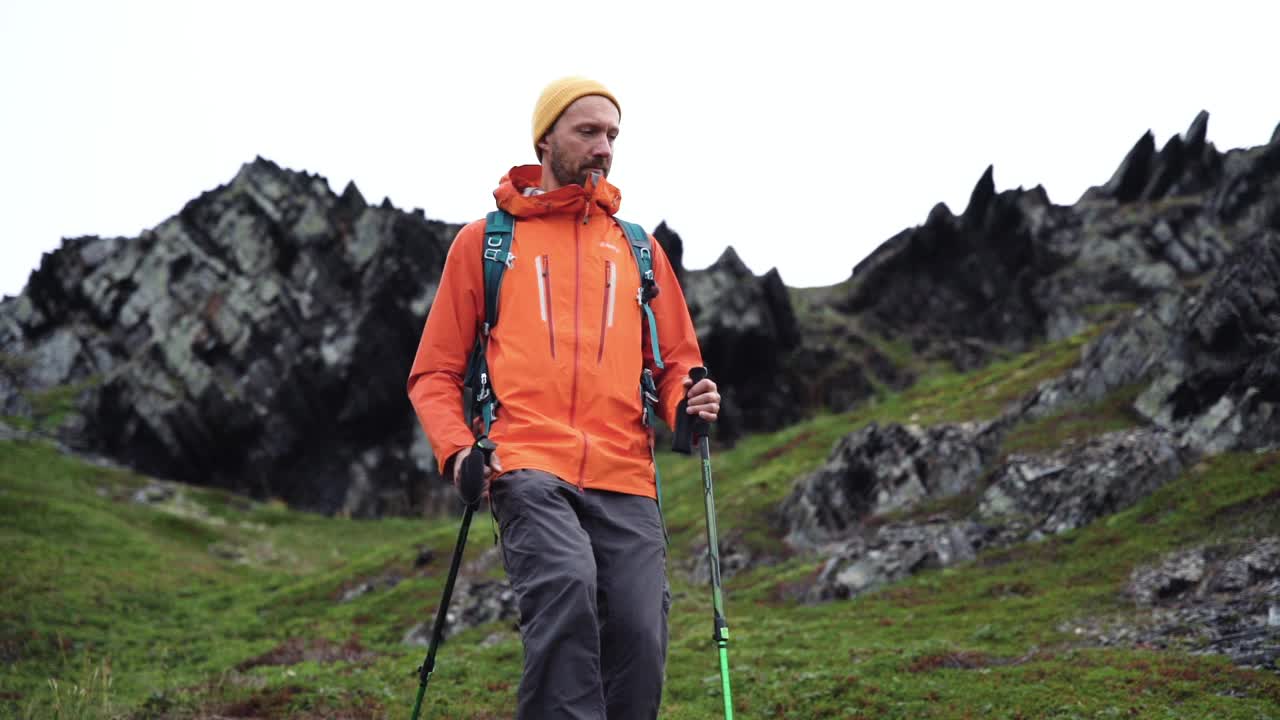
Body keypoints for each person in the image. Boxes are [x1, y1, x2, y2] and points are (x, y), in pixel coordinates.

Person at [406, 76, 721, 719]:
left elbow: (673, 366)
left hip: (625, 474)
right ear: (546, 139)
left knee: (639, 631)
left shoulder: (636, 248)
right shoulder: (487, 243)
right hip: (525, 463)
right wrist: (459, 453)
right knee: (568, 592)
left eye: (612, 135)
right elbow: (434, 373)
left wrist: (686, 404)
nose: (603, 147)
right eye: (588, 132)